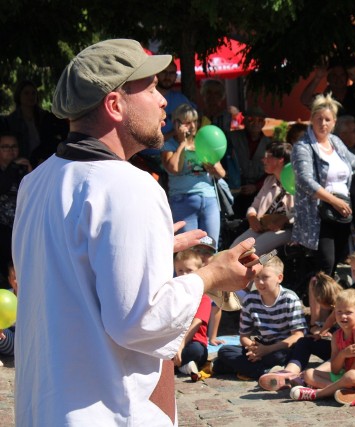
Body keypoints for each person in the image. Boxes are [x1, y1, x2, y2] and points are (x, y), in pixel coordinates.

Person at [11, 39, 261, 426]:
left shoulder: (37, 182)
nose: (163, 101)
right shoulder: (130, 186)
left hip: (45, 411)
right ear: (114, 105)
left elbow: (71, 280)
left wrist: (153, 253)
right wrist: (210, 276)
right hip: (106, 413)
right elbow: (141, 321)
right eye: (151, 88)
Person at [291, 93, 355, 276]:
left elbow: (352, 161)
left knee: (336, 261)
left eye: (327, 119)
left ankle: (329, 302)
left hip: (342, 210)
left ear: (334, 122)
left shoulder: (335, 141)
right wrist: (334, 201)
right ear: (311, 120)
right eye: (319, 119)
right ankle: (317, 303)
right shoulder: (302, 146)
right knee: (324, 264)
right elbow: (305, 180)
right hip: (318, 214)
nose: (323, 123)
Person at [213, 256, 307, 380]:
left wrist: (267, 350)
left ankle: (247, 369)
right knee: (225, 351)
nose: (260, 282)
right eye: (257, 277)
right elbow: (244, 336)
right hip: (262, 346)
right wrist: (254, 349)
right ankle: (266, 371)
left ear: (279, 278)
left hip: (281, 347)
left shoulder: (289, 299)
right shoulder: (250, 299)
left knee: (281, 356)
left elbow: (298, 335)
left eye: (265, 277)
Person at [290, 288, 355, 404]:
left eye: (348, 312)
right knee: (309, 373)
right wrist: (343, 354)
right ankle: (345, 392)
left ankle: (317, 394)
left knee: (351, 376)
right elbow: (335, 370)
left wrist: (345, 379)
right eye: (339, 312)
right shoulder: (336, 336)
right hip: (346, 377)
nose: (343, 316)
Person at [161, 103, 226, 249]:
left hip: (209, 199)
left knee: (210, 247)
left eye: (194, 121)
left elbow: (222, 173)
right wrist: (182, 143)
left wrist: (213, 166)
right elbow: (174, 168)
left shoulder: (204, 141)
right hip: (183, 200)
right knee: (188, 252)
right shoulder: (169, 145)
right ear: (176, 123)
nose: (192, 126)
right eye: (187, 122)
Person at [231, 141, 294, 255]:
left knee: (252, 252)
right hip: (262, 227)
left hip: (285, 230)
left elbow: (301, 212)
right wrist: (252, 218)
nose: (263, 160)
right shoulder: (269, 181)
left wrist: (284, 220)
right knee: (234, 248)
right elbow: (254, 206)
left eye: (267, 157)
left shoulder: (295, 183)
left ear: (280, 160)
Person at [4, 80, 68, 165]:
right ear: (19, 96)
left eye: (33, 93)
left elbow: (51, 141)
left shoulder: (47, 118)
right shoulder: (10, 121)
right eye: (26, 93)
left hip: (44, 162)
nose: (30, 96)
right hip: (21, 163)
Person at [172, 250, 211, 382]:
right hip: (172, 343)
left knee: (197, 350)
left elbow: (196, 323)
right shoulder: (173, 294)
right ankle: (182, 367)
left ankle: (172, 365)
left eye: (189, 270)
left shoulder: (203, 298)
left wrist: (180, 344)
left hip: (191, 343)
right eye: (180, 270)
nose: (184, 275)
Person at [229, 106, 271, 216]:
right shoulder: (232, 138)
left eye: (260, 120)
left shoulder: (269, 144)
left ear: (264, 123)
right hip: (235, 191)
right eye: (251, 119)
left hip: (259, 192)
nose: (255, 123)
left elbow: (271, 172)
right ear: (244, 120)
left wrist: (256, 186)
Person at [0, 132, 30, 283]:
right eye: (5, 147)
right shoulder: (13, 168)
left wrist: (31, 172)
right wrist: (12, 167)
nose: (11, 150)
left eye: (14, 146)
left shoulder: (22, 168)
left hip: (20, 227)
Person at [156, 59, 196, 140]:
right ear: (156, 74)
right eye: (164, 72)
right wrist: (173, 133)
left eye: (171, 73)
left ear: (175, 76)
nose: (167, 76)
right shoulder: (147, 97)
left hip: (174, 151)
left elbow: (193, 124)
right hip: (145, 152)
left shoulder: (181, 100)